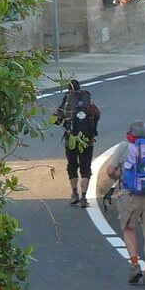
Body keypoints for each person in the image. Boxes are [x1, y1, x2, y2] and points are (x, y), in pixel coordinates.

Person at [105, 120, 145, 287]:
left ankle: (134, 265)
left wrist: (120, 179)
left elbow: (110, 171)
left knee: (129, 229)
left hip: (130, 195)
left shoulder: (124, 146)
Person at [53, 79, 100, 208]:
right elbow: (97, 115)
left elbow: (56, 120)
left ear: (69, 89)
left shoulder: (67, 101)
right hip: (87, 140)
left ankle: (74, 194)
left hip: (70, 140)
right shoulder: (88, 101)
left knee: (72, 166)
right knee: (85, 167)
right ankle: (84, 197)